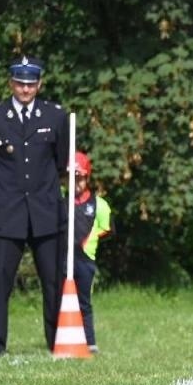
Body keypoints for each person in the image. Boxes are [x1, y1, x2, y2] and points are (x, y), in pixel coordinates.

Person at [0, 56, 70, 355]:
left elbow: (61, 161)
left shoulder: (55, 116)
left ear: (39, 84)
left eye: (30, 84)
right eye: (19, 83)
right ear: (10, 83)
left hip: (46, 212)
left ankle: (59, 341)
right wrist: (5, 191)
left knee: (54, 282)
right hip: (7, 212)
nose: (25, 89)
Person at [66, 151, 112, 353]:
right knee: (62, 298)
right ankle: (63, 338)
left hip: (85, 259)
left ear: (87, 177)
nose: (76, 182)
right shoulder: (62, 200)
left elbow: (107, 228)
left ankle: (89, 341)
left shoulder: (98, 204)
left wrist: (90, 238)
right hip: (64, 258)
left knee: (83, 301)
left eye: (80, 178)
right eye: (72, 178)